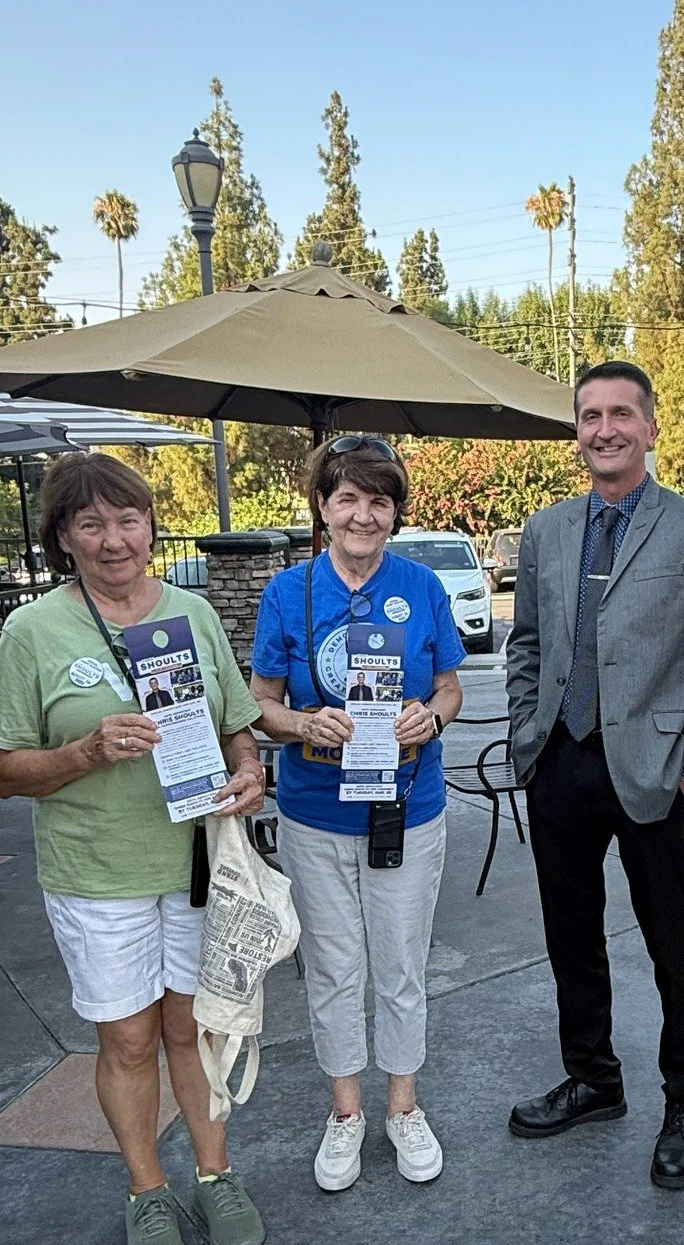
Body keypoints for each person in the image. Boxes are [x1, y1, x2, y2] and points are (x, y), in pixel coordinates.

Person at [0, 453, 268, 1245]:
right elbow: (2, 770)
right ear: (62, 536)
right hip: (96, 871)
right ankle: (146, 1189)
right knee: (130, 1039)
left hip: (196, 861)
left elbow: (237, 723)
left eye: (127, 519)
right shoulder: (33, 632)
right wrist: (85, 750)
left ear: (149, 525)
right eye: (90, 524)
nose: (113, 540)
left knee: (196, 1026)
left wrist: (249, 772)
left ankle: (216, 1174)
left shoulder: (194, 614)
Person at [505, 360, 684, 1189]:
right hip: (559, 762)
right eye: (588, 415)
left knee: (670, 942)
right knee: (570, 937)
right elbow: (527, 642)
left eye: (619, 413)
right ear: (577, 430)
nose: (603, 428)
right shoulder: (546, 531)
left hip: (650, 770)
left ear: (649, 426)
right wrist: (524, 731)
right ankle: (595, 1080)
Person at [250, 435, 465, 1193]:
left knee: (402, 966)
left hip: (407, 805)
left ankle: (403, 1105)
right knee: (335, 970)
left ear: (396, 512)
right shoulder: (290, 592)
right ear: (322, 505)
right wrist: (303, 724)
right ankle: (346, 1113)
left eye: (380, 500)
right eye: (348, 498)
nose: (363, 515)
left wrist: (430, 720)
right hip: (314, 810)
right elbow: (261, 702)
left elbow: (450, 687)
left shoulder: (422, 587)